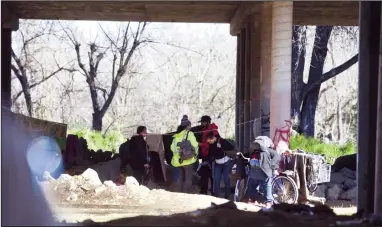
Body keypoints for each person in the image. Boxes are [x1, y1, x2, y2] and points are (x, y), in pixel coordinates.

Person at [247, 137, 281, 208]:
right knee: (267, 184)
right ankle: (268, 202)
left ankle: (251, 200)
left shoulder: (254, 151)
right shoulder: (268, 150)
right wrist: (272, 165)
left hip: (254, 171)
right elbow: (277, 156)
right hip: (264, 172)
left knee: (252, 184)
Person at [170, 115, 199, 193]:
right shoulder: (189, 134)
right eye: (190, 125)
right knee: (188, 178)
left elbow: (172, 148)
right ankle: (187, 194)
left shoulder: (176, 136)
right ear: (188, 126)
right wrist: (195, 154)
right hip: (188, 160)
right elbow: (195, 145)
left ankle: (179, 194)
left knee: (180, 178)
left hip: (178, 161)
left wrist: (179, 154)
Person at [206, 132, 235, 199]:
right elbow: (210, 152)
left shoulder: (221, 140)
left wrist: (222, 146)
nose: (209, 142)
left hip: (226, 163)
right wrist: (209, 159)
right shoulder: (211, 144)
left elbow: (231, 147)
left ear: (213, 138)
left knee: (226, 179)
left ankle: (227, 195)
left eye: (210, 140)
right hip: (217, 163)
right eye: (208, 141)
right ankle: (216, 196)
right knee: (216, 179)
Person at [197, 115, 218, 195]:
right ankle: (203, 191)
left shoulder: (213, 130)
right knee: (204, 173)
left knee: (212, 175)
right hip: (205, 155)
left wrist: (200, 144)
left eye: (203, 122)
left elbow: (211, 144)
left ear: (208, 122)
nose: (202, 123)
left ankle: (213, 192)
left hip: (211, 156)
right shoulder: (204, 129)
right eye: (201, 122)